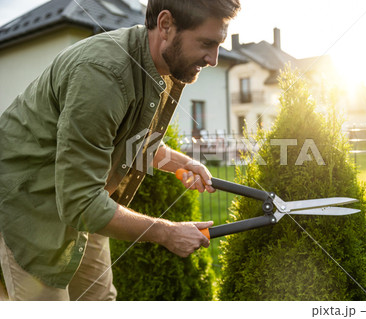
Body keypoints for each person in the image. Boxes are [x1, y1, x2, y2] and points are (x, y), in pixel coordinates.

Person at [0, 0, 241, 301]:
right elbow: (80, 202)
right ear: (165, 25)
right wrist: (167, 233)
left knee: (99, 301)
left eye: (218, 44)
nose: (215, 59)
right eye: (207, 43)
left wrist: (182, 163)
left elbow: (130, 139)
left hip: (86, 197)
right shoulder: (103, 74)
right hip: (30, 202)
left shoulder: (160, 67)